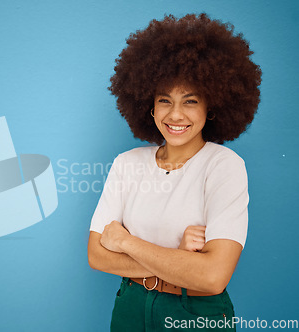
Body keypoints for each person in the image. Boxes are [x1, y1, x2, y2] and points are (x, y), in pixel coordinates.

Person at [87, 13, 262, 331]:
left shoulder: (224, 165)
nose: (176, 114)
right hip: (130, 306)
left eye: (190, 101)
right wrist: (179, 259)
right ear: (149, 106)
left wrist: (126, 242)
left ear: (211, 107)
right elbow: (97, 256)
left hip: (193, 311)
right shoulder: (127, 163)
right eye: (164, 100)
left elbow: (211, 277)